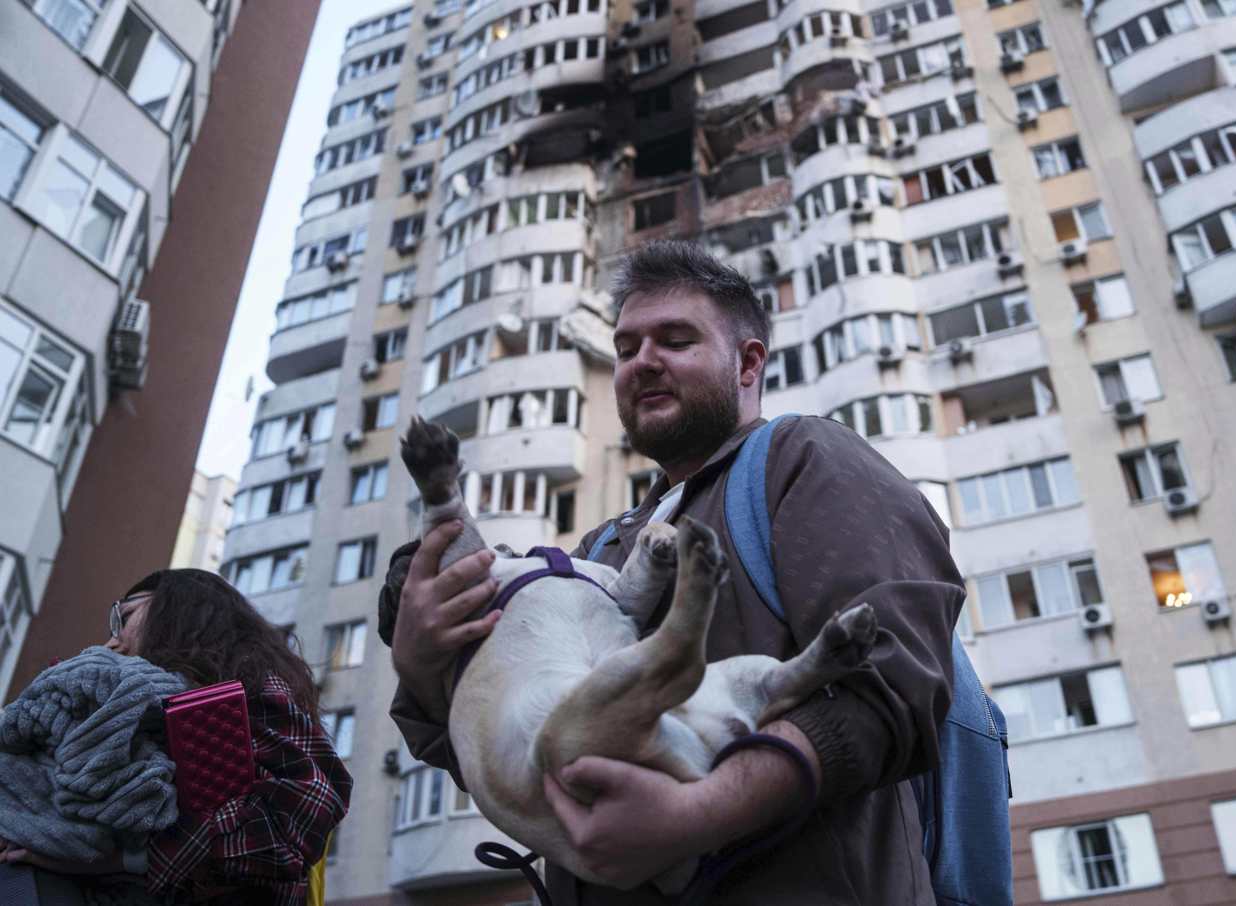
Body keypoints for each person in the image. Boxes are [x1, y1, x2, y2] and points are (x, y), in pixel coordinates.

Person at [385, 240, 964, 904]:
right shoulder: (599, 551)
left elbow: (895, 683)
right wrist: (420, 663)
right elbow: (501, 749)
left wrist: (701, 812)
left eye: (675, 340)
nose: (643, 363)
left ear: (747, 364)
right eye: (627, 349)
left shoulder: (804, 459)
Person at [0, 568, 353, 906]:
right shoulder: (130, 699)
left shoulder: (248, 682)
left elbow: (306, 805)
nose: (111, 641)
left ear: (180, 611)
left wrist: (130, 857)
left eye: (124, 617)